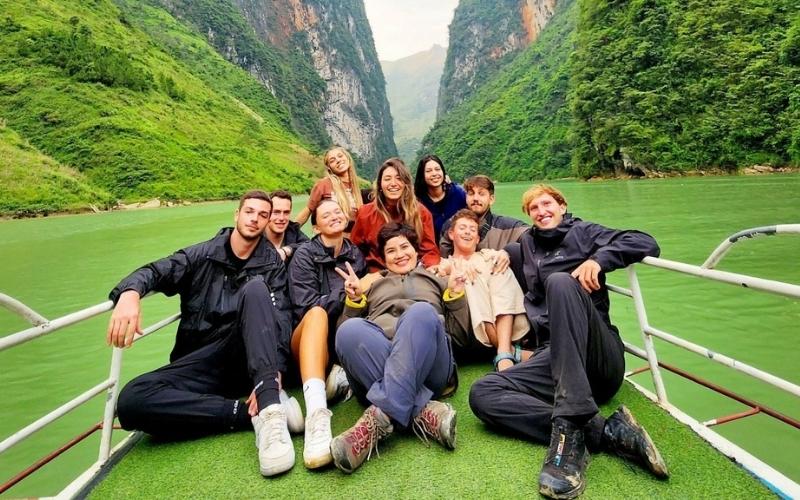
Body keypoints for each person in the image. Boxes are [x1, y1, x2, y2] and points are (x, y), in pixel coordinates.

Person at [468, 184, 668, 499]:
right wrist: (504, 254)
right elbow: (513, 252)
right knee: (483, 392)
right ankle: (603, 431)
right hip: (556, 358)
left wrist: (599, 260)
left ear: (562, 206)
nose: (541, 211)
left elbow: (645, 241)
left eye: (547, 203)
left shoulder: (584, 232)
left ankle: (567, 431)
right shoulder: (528, 243)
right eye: (533, 208)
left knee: (561, 282)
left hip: (597, 358)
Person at [107, 190, 297, 477]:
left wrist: (275, 372)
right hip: (199, 362)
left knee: (257, 289)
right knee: (131, 401)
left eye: (263, 215)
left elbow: (281, 319)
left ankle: (270, 407)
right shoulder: (201, 255)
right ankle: (245, 415)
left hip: (246, 359)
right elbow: (157, 271)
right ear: (237, 214)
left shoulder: (271, 265)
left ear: (268, 222)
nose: (255, 219)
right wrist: (130, 292)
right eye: (249, 212)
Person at [329, 223, 468, 473]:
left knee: (422, 312)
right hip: (380, 364)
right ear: (383, 258)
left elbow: (460, 338)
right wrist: (354, 301)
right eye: (391, 250)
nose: (399, 254)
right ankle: (421, 411)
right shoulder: (371, 286)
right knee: (349, 330)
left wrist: (457, 295)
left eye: (405, 247)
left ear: (416, 251)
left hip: (429, 366)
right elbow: (346, 347)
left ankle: (378, 421)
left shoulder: (438, 280)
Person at [287, 199, 366, 469]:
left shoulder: (355, 254)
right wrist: (345, 292)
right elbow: (305, 305)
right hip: (308, 342)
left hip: (337, 347)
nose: (334, 216)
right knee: (318, 314)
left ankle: (338, 377)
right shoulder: (305, 255)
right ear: (316, 226)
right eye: (326, 215)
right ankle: (317, 417)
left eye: (337, 211)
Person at [440, 209, 531, 369]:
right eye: (462, 228)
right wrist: (452, 268)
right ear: (451, 234)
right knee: (466, 277)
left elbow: (503, 263)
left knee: (499, 267)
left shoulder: (490, 255)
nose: (468, 232)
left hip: (508, 323)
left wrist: (505, 254)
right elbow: (436, 271)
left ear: (477, 239)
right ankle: (506, 350)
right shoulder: (445, 264)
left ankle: (503, 351)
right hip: (469, 330)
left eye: (472, 230)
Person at [350, 158, 440, 272]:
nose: (393, 184)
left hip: (414, 273)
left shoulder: (421, 213)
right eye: (387, 179)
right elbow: (355, 251)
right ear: (380, 185)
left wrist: (426, 270)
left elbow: (429, 251)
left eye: (399, 179)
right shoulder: (366, 214)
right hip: (379, 276)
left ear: (406, 184)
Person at [439, 174, 528, 257]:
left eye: (481, 194)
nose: (475, 198)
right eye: (471, 193)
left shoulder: (507, 227)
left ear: (491, 199)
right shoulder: (451, 225)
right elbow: (444, 256)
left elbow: (533, 236)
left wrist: (507, 253)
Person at [295, 146, 364, 233]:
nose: (338, 160)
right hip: (331, 239)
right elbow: (308, 211)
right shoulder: (323, 185)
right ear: (329, 167)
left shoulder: (356, 188)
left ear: (348, 158)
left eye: (340, 156)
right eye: (332, 160)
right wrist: (289, 233)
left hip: (353, 241)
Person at [414, 154, 466, 242]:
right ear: (422, 175)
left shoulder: (458, 193)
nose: (434, 173)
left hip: (459, 248)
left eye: (437, 169)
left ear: (443, 172)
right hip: (433, 250)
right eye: (429, 171)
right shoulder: (418, 202)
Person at [266, 190, 309, 263]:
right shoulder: (256, 234)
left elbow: (310, 246)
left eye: (286, 212)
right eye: (276, 212)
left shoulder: (293, 230)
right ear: (267, 213)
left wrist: (288, 250)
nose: (281, 218)